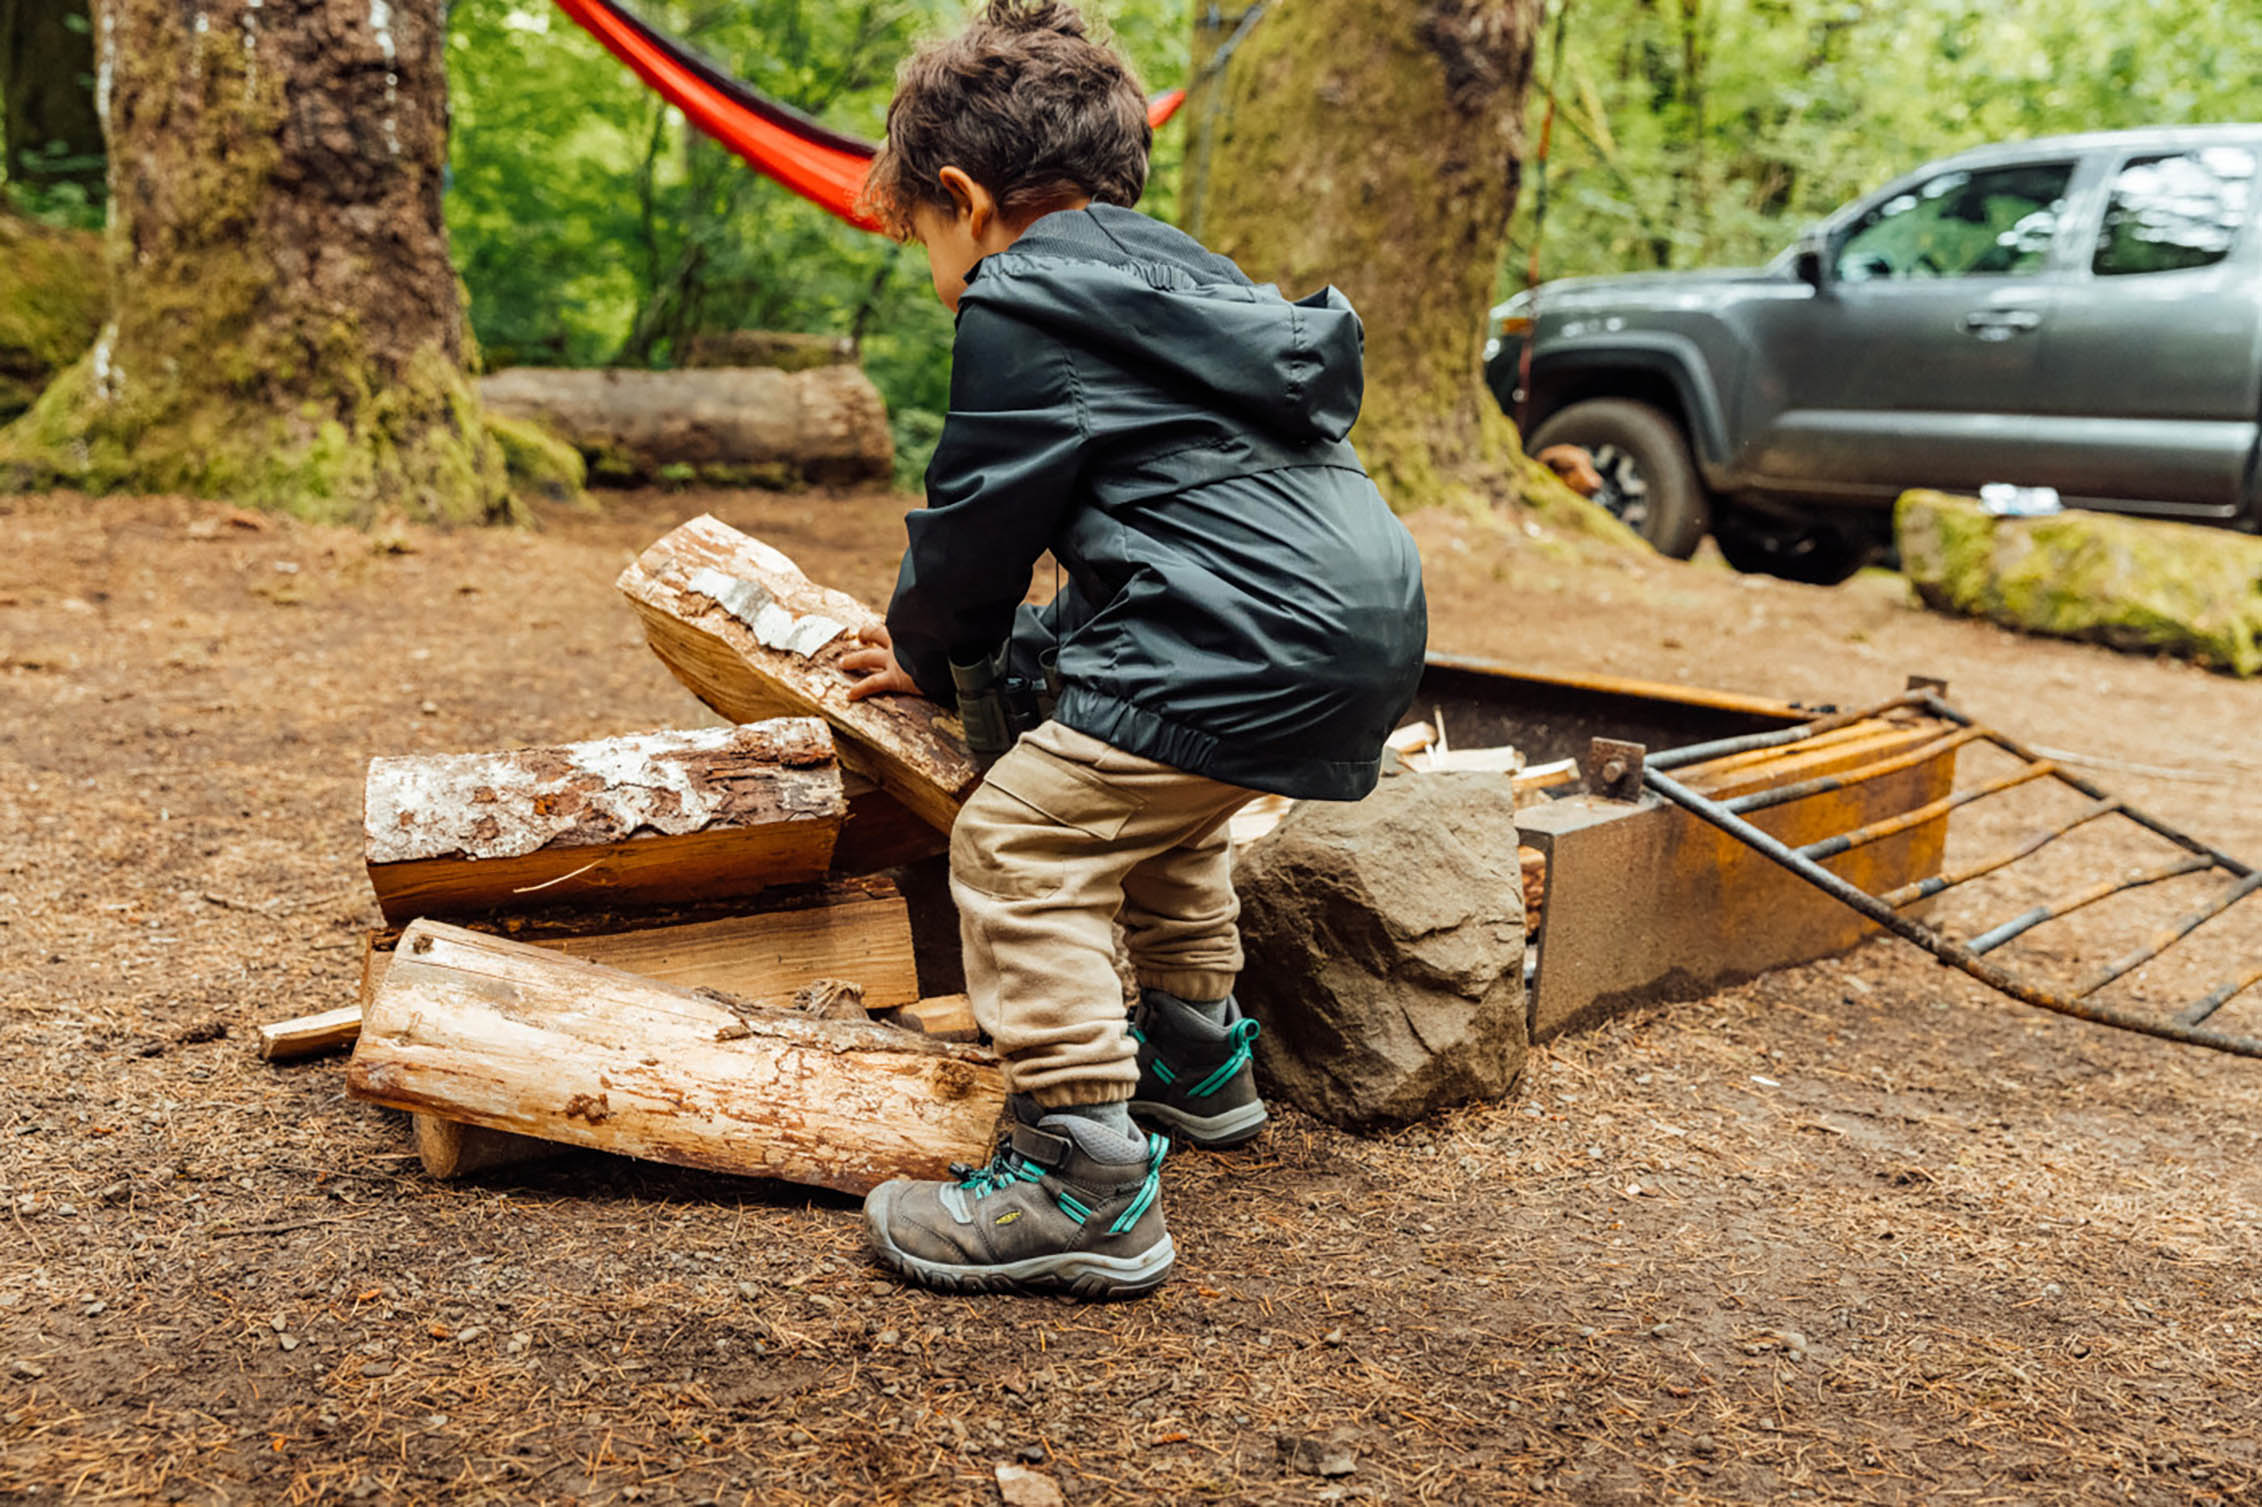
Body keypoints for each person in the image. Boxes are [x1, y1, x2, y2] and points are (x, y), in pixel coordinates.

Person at [841, 0, 1426, 1299]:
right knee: (1159, 809)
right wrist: (1034, 658)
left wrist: (927, 659)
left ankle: (1077, 1179)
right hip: (1356, 621)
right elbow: (1172, 541)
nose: (940, 269)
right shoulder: (1193, 288)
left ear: (964, 199)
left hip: (1242, 630)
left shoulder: (1018, 297)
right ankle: (1194, 1058)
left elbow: (976, 535)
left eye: (926, 237)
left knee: (1020, 839)